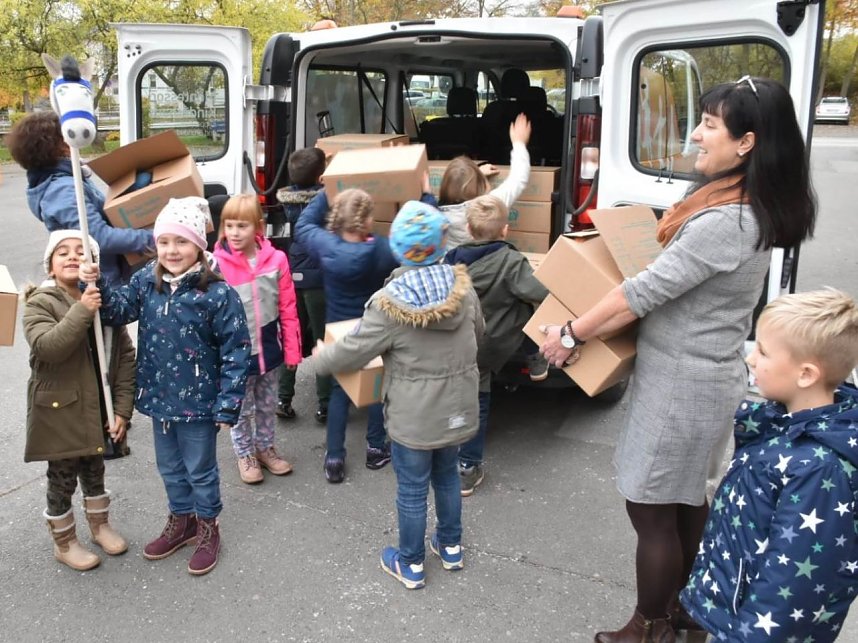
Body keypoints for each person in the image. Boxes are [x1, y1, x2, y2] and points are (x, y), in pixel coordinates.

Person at [538, 77, 817, 642]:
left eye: (711, 124)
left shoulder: (727, 221)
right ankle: (690, 615)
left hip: (682, 387)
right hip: (699, 377)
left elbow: (642, 293)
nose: (696, 133)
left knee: (651, 508)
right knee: (685, 501)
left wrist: (570, 333)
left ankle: (650, 626)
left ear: (747, 143)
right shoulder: (740, 203)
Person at [313, 201, 482, 589]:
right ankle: (451, 548)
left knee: (411, 488)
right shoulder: (464, 289)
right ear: (442, 246)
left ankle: (411, 563)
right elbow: (480, 335)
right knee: (448, 478)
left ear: (398, 250)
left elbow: (355, 350)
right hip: (458, 407)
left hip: (413, 417)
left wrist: (321, 359)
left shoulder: (389, 304)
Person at [80, 196, 251, 576]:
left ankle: (208, 527)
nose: (172, 250)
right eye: (164, 242)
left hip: (199, 404)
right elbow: (118, 310)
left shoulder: (218, 293)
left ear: (199, 246)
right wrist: (95, 284)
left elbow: (237, 350)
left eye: (182, 241)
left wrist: (228, 403)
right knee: (170, 468)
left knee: (200, 470)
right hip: (159, 397)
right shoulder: (145, 280)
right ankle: (183, 520)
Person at [680, 288, 858, 643]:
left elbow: (795, 580)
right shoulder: (783, 425)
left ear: (806, 374)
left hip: (750, 630)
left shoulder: (820, 468)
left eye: (762, 351)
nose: (751, 360)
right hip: (734, 611)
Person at [294, 185, 436, 483]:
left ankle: (334, 458)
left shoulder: (324, 245)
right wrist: (425, 196)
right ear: (368, 222)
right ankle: (374, 448)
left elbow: (303, 225)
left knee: (338, 393)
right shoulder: (382, 250)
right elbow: (417, 237)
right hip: (371, 330)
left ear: (337, 220)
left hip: (337, 330)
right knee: (375, 390)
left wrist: (327, 190)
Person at [23, 231, 135, 571]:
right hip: (60, 410)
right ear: (50, 266)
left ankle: (100, 525)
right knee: (62, 476)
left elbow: (125, 358)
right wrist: (83, 310)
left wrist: (121, 411)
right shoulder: (39, 303)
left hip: (97, 406)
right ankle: (64, 541)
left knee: (94, 469)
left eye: (82, 252)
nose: (73, 257)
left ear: (94, 267)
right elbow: (48, 347)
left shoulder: (105, 302)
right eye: (63, 253)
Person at [445, 194, 548, 496]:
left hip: (458, 342)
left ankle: (453, 456)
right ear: (506, 230)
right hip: (493, 345)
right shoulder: (511, 261)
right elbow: (539, 291)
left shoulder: (450, 259)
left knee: (461, 398)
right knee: (525, 305)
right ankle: (468, 465)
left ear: (468, 228)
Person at [7, 111, 154, 286]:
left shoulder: (69, 177)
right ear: (58, 145)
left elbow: (98, 213)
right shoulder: (62, 190)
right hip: (101, 283)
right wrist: (157, 238)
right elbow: (99, 237)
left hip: (108, 275)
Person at [213, 194, 301, 484]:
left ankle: (265, 448)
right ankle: (245, 453)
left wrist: (292, 350)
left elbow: (288, 307)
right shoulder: (217, 266)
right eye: (229, 225)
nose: (234, 233)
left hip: (270, 350)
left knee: (266, 405)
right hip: (236, 356)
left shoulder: (276, 260)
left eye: (242, 226)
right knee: (241, 409)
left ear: (258, 228)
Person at [274, 147, 332, 423]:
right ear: (322, 177)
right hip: (320, 279)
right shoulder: (326, 201)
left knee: (292, 337)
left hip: (294, 274)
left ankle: (283, 398)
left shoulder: (288, 201)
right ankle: (325, 403)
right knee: (323, 341)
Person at [437, 112, 531, 251]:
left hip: (455, 271)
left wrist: (477, 175)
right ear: (480, 184)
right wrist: (519, 143)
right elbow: (518, 179)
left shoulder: (436, 216)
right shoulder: (489, 207)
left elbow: (458, 190)